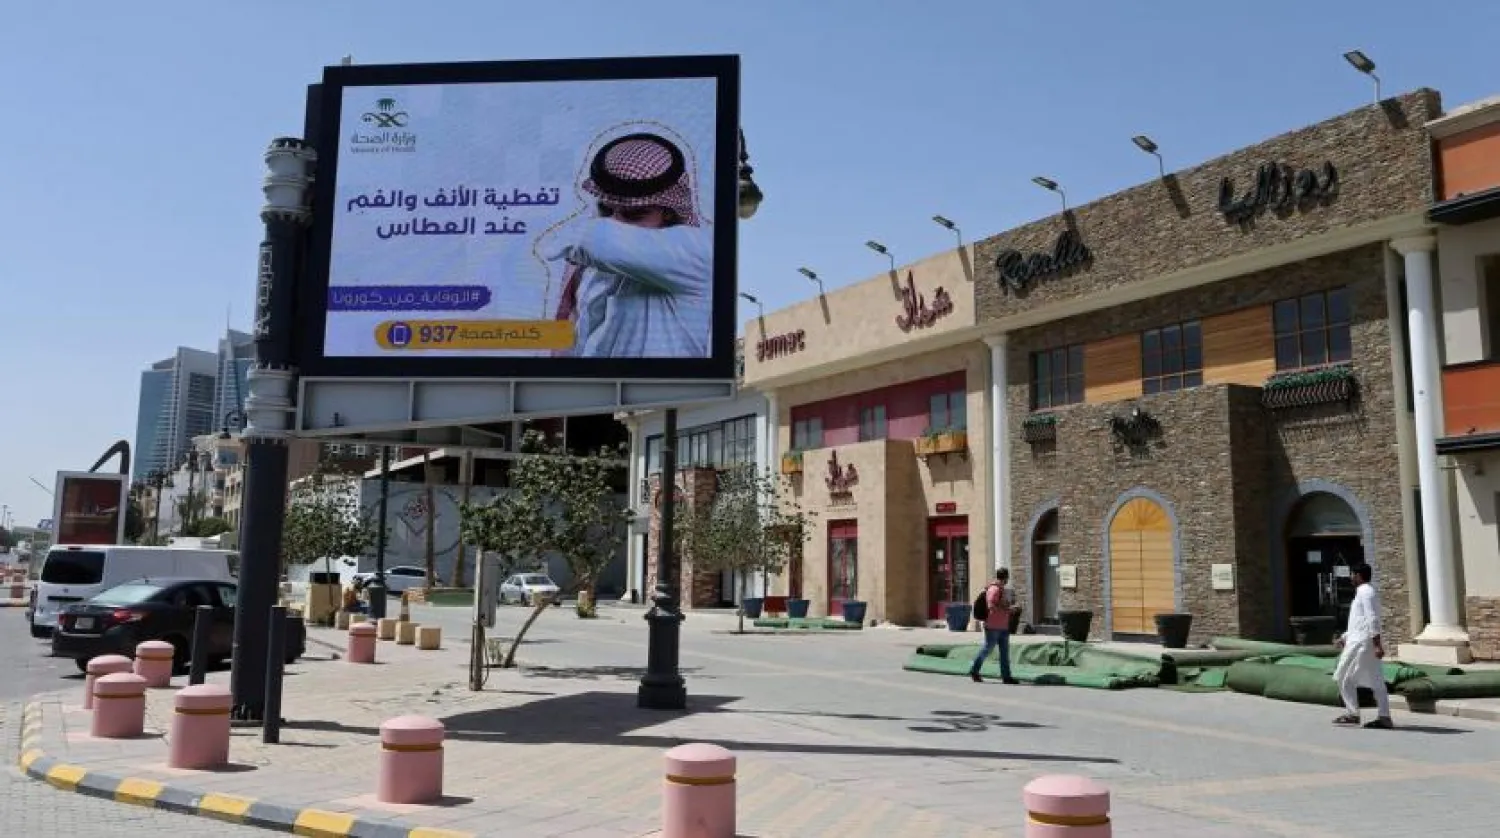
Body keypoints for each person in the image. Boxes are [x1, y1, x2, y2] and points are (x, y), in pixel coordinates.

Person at [544, 131, 713, 359]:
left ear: (670, 214)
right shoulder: (590, 265)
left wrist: (554, 240)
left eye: (633, 215)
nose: (615, 222)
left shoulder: (697, 252)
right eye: (606, 210)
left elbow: (594, 238)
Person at [1332, 562, 1394, 729]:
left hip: (1362, 644)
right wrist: (1344, 637)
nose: (1351, 577)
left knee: (1345, 677)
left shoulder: (1365, 592)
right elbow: (1358, 622)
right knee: (1376, 679)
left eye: (1352, 574)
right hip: (1361, 641)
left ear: (1358, 576)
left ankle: (1353, 713)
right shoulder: (1364, 592)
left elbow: (1372, 618)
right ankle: (1384, 716)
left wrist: (1377, 644)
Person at [969, 569, 1019, 685]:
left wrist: (1008, 609)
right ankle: (974, 670)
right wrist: (1008, 609)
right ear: (1005, 578)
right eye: (1007, 578)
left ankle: (1006, 676)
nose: (1007, 580)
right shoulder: (994, 589)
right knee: (987, 649)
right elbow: (991, 606)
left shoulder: (1000, 589)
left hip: (1003, 626)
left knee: (1004, 652)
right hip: (993, 626)